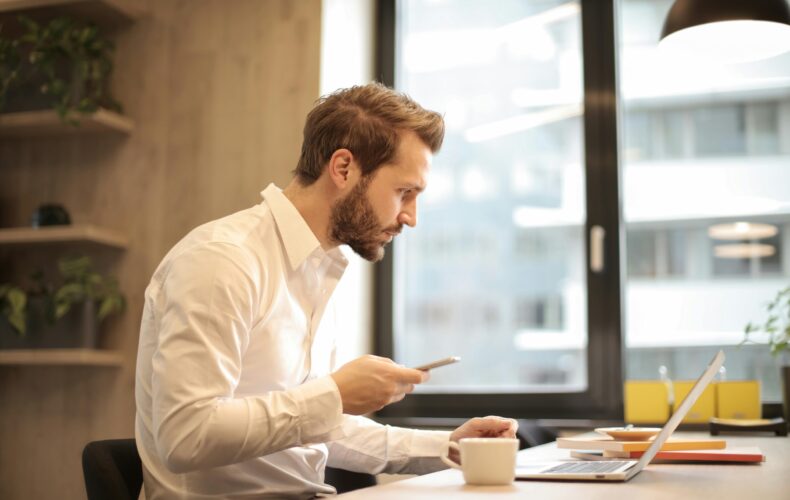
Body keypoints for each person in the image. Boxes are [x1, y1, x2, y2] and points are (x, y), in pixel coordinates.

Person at [135, 83, 517, 499]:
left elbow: (313, 427)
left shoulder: (318, 269)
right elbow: (185, 435)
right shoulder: (222, 261)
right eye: (404, 192)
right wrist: (334, 394)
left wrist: (449, 447)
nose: (411, 217)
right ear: (343, 168)